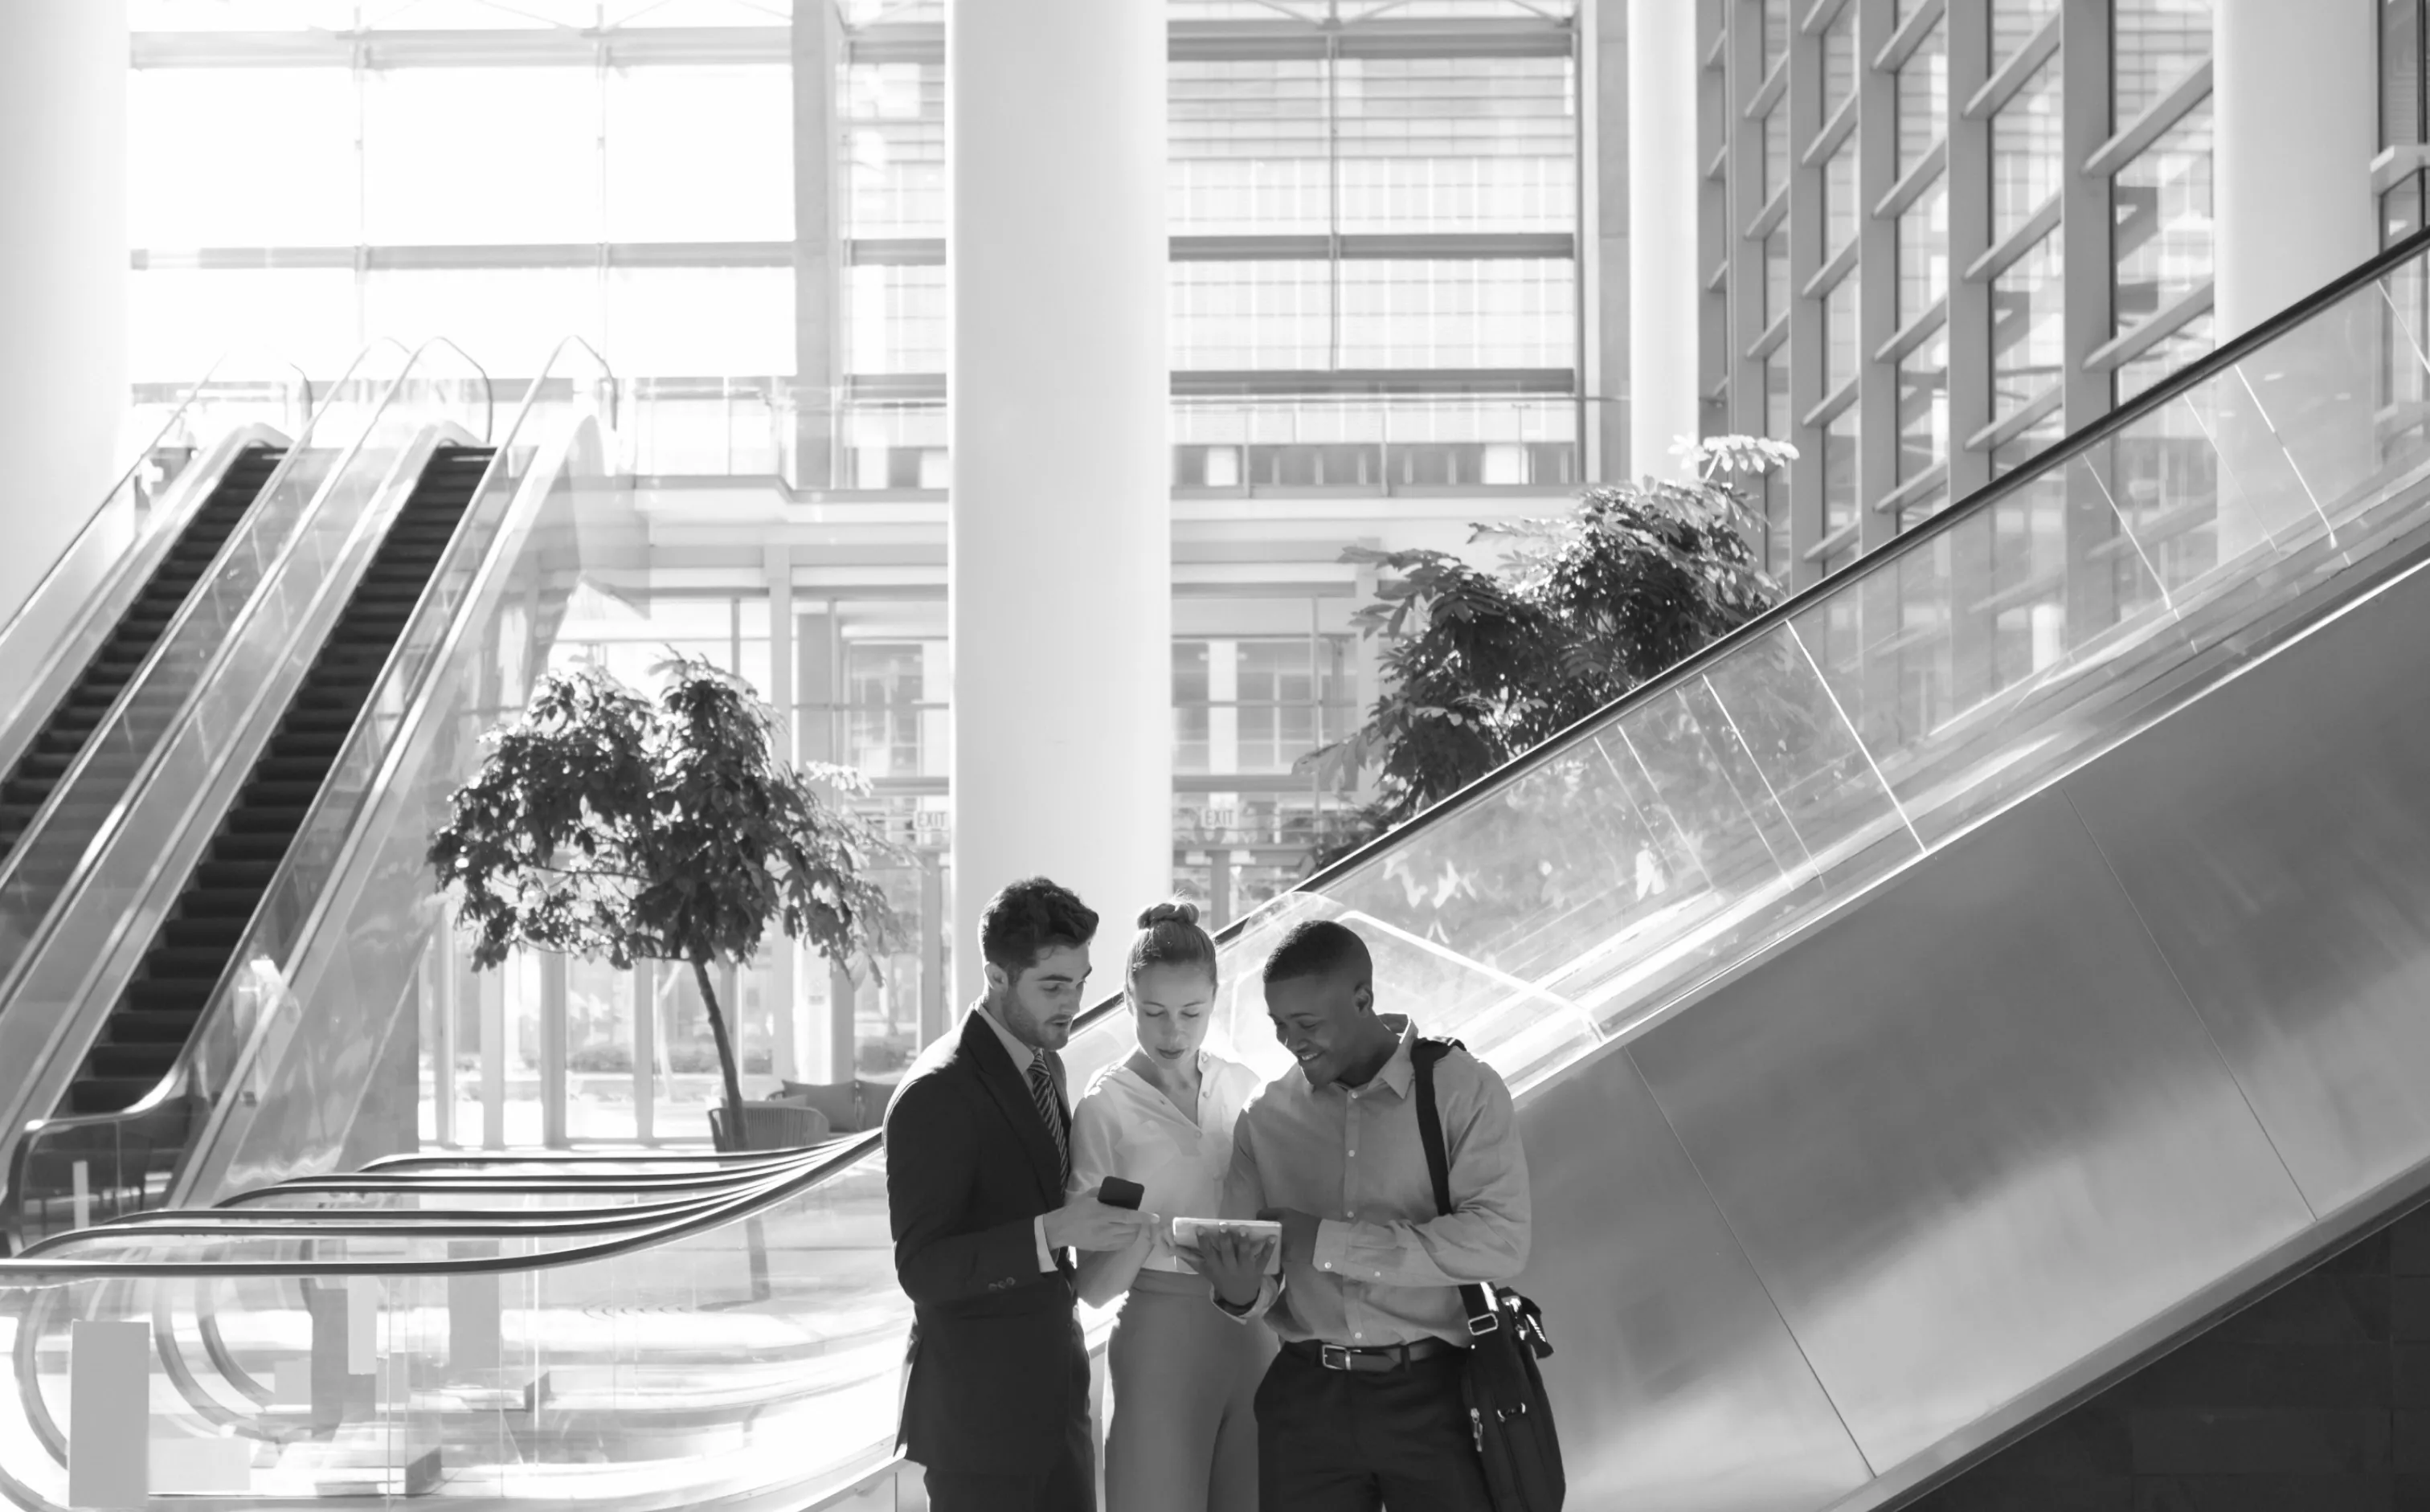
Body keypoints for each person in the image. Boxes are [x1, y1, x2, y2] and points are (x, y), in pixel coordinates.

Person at [1197, 918, 1530, 1512]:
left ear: (1362, 999)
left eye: (1307, 1025)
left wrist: (1325, 1240)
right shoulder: (1263, 1118)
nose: (1291, 1041)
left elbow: (1500, 1241)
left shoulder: (1462, 1090)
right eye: (1278, 1025)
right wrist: (1241, 1291)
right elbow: (1258, 1274)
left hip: (1440, 1398)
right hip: (1306, 1400)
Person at [884, 877, 1157, 1512]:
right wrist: (1052, 1234)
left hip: (1056, 1408)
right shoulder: (936, 1092)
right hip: (978, 1425)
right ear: (996, 976)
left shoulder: (1045, 1062)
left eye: (1082, 981)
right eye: (1053, 986)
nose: (1072, 1003)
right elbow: (923, 1270)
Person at [1068, 901, 1275, 1512]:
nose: (1173, 1032)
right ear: (1127, 1001)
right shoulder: (1106, 1107)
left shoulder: (1243, 1086)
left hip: (1255, 1332)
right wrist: (1144, 1236)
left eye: (1192, 1012)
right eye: (1153, 1012)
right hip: (1160, 1342)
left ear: (1216, 998)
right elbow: (1094, 1288)